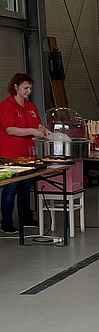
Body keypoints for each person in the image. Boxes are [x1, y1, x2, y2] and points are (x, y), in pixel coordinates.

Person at [0, 73, 47, 233]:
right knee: (10, 188)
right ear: (15, 87)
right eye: (25, 88)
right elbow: (10, 129)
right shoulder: (7, 105)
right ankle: (6, 221)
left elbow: (38, 123)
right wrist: (32, 130)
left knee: (26, 186)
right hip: (10, 154)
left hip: (28, 154)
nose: (28, 91)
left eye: (30, 88)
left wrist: (44, 130)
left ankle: (25, 217)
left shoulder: (31, 106)